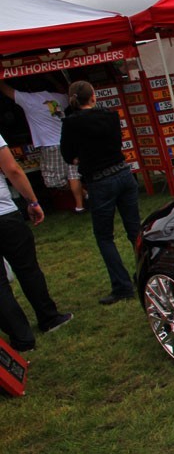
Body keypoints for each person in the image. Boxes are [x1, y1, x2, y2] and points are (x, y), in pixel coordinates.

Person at [60, 81, 141, 305]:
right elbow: (117, 143)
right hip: (123, 173)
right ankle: (144, 272)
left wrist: (82, 157)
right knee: (135, 229)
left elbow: (67, 155)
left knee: (104, 236)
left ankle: (122, 286)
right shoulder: (110, 116)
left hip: (100, 180)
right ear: (93, 97)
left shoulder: (71, 123)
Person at [0, 132, 73, 352]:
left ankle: (22, 337)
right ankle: (48, 318)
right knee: (27, 268)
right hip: (5, 215)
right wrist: (32, 201)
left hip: (5, 214)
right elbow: (12, 169)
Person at [0, 77, 87, 213]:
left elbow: (7, 91)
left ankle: (83, 199)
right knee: (73, 175)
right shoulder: (58, 97)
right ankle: (81, 203)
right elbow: (67, 94)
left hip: (51, 144)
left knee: (53, 181)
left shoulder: (28, 99)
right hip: (68, 140)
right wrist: (53, 79)